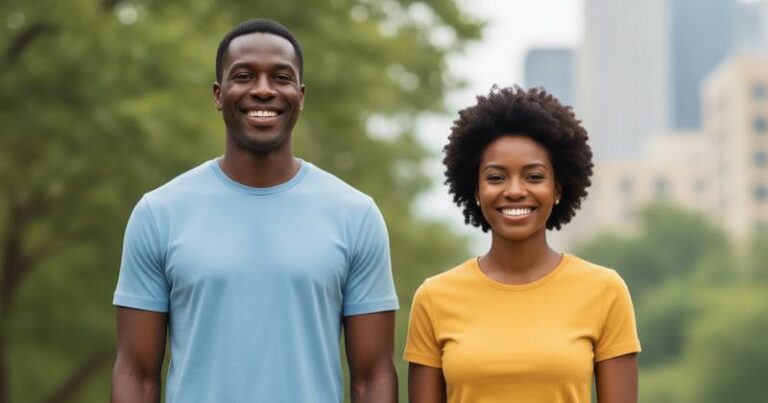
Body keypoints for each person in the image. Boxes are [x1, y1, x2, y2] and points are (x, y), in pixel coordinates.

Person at [111, 18, 399, 403]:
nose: (263, 90)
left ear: (300, 94)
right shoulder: (158, 213)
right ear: (218, 93)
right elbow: (136, 374)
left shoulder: (355, 215)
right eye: (244, 76)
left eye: (281, 78)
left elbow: (373, 376)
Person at [404, 86, 641, 403]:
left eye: (533, 177)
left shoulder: (605, 290)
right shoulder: (434, 298)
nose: (515, 190)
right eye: (496, 177)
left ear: (557, 189)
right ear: (475, 190)